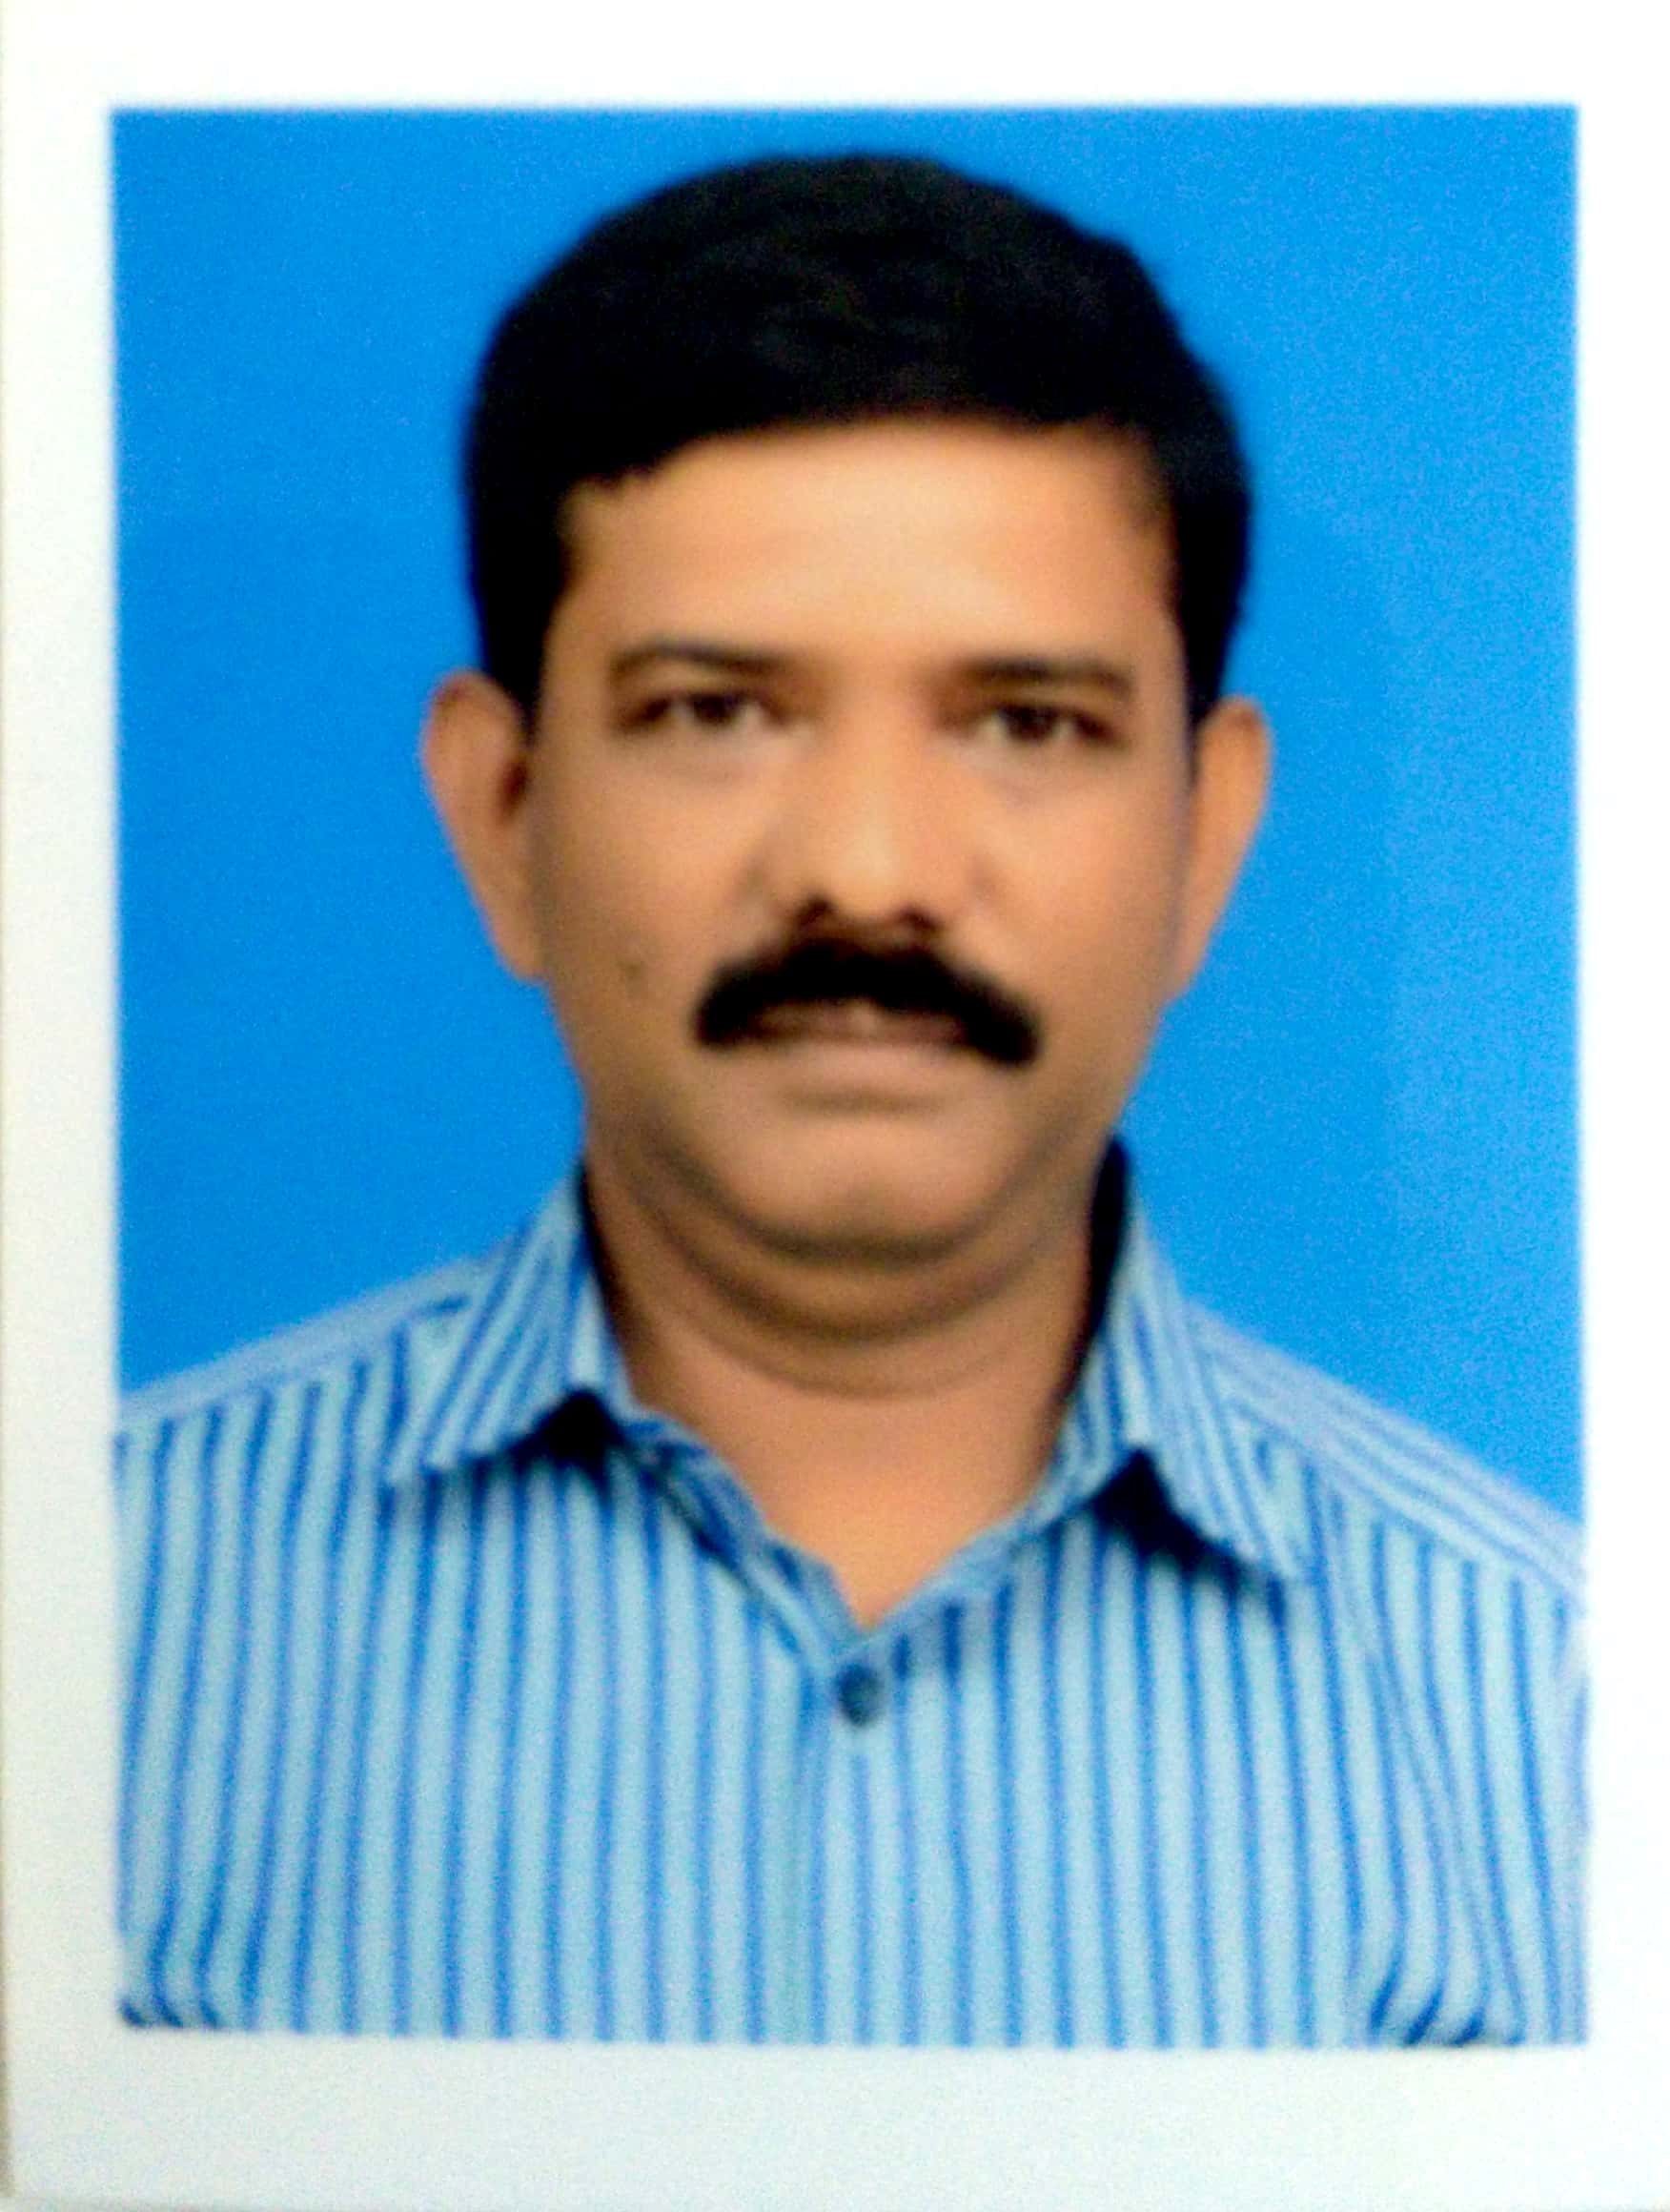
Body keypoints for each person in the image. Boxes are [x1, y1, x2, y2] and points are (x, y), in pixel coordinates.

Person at [115, 151, 1582, 2047]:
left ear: (1207, 839)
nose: (869, 874)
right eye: (717, 711)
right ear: (504, 815)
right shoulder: (98, 1624)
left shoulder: (1557, 1725)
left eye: (1028, 722)